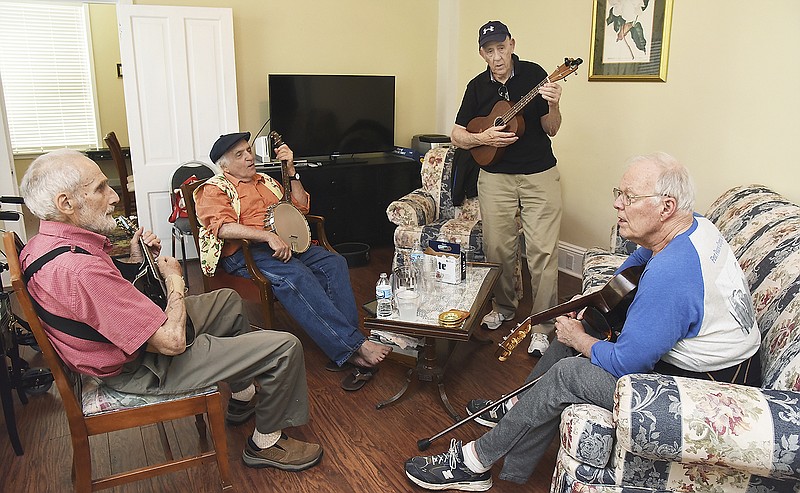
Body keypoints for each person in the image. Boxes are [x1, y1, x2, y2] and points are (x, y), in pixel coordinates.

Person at [404, 152, 762, 491]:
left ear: (666, 206)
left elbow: (628, 363)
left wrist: (580, 340)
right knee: (579, 325)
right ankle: (516, 407)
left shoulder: (672, 274)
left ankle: (474, 463)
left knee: (569, 371)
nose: (617, 204)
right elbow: (639, 255)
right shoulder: (690, 225)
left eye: (629, 197)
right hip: (714, 369)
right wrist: (596, 300)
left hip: (710, 391)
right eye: (618, 193)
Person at [19, 149, 323, 472]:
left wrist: (137, 260)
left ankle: (243, 395)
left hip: (127, 343)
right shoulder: (77, 270)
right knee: (285, 347)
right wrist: (175, 281)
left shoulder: (44, 245)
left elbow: (98, 304)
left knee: (228, 303)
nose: (113, 197)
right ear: (65, 204)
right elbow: (172, 341)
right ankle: (266, 444)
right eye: (100, 188)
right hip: (143, 367)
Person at [193, 132, 391, 385]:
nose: (249, 157)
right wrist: (265, 237)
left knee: (334, 262)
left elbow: (300, 208)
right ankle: (352, 346)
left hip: (286, 243)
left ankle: (348, 343)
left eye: (249, 151)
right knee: (296, 274)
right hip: (246, 254)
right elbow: (221, 228)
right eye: (239, 155)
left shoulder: (266, 181)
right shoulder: (213, 188)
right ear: (224, 165)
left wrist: (292, 171)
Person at [450, 20, 565, 357]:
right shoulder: (476, 87)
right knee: (498, 248)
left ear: (512, 44)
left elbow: (552, 129)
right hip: (495, 176)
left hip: (539, 173)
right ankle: (503, 306)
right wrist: (481, 138)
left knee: (543, 252)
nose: (497, 56)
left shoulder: (536, 75)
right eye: (490, 50)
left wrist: (555, 104)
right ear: (482, 53)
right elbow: (457, 134)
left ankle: (542, 325)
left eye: (502, 47)